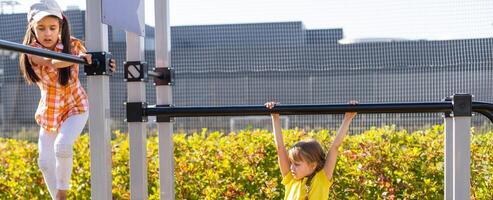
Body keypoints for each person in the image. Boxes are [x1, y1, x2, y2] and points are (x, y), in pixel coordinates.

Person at [18, 0, 116, 199]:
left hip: (75, 107)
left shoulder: (72, 44)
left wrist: (98, 60)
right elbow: (51, 62)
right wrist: (79, 58)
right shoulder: (32, 50)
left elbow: (87, 56)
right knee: (44, 163)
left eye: (52, 28)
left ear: (60, 26)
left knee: (62, 146)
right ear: (32, 29)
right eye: (41, 28)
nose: (47, 33)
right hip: (51, 111)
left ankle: (62, 193)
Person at [265, 101, 358, 200]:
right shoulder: (291, 179)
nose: (291, 167)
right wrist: (275, 117)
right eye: (291, 162)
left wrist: (348, 118)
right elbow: (280, 148)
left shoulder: (322, 178)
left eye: (296, 164)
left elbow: (335, 147)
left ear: (313, 165)